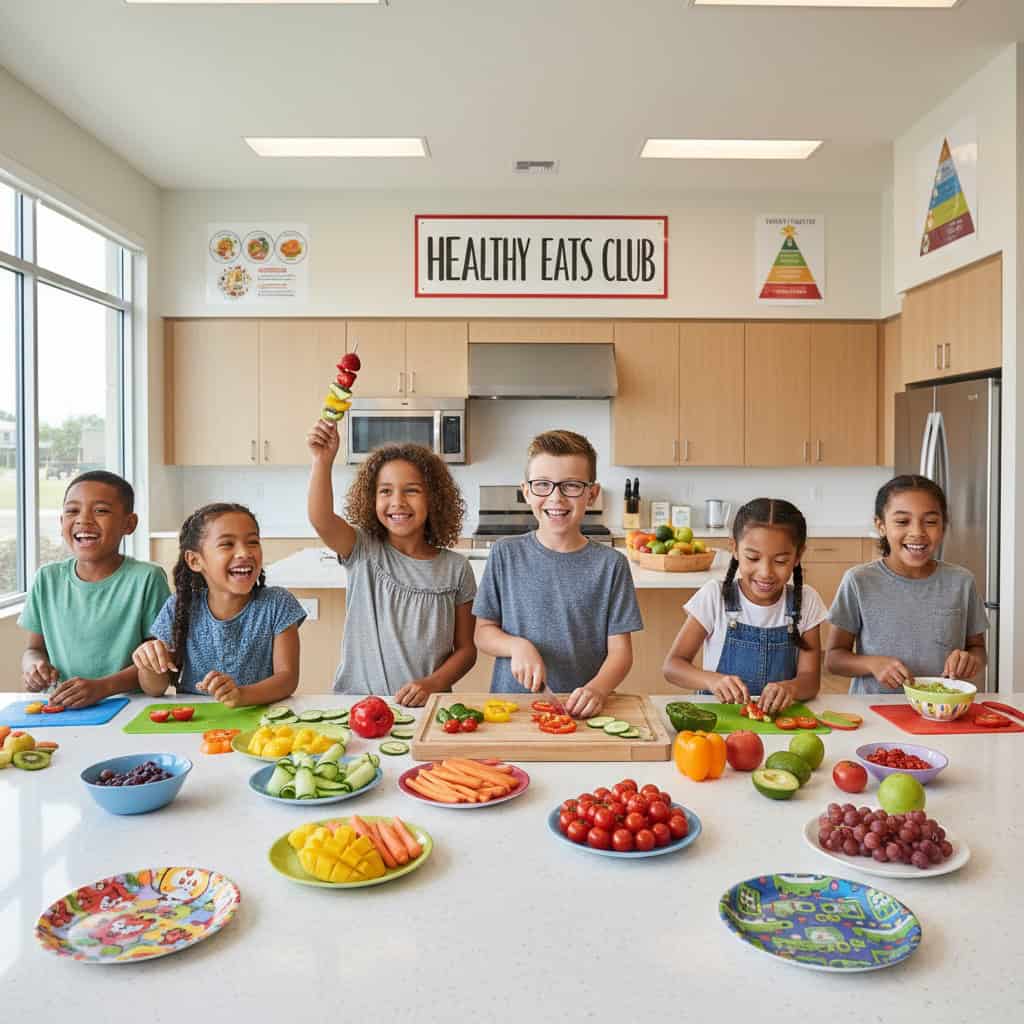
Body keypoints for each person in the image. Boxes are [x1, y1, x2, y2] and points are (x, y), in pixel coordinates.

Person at [473, 429, 642, 718]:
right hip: (512, 709)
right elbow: (483, 633)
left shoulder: (611, 565)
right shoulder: (505, 553)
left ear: (592, 494)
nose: (556, 497)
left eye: (571, 486)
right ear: (526, 492)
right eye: (542, 485)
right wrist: (516, 645)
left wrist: (598, 689)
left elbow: (620, 653)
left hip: (584, 710)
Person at [306, 422, 476, 706]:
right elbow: (321, 518)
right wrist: (322, 461)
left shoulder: (456, 568)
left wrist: (433, 684)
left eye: (411, 490)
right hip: (359, 703)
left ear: (434, 499)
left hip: (426, 706)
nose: (397, 502)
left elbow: (466, 650)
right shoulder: (362, 549)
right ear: (372, 499)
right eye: (385, 491)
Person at [19, 470, 170, 709]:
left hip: (129, 706)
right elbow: (34, 649)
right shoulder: (46, 579)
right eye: (72, 511)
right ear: (61, 523)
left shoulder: (146, 579)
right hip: (62, 708)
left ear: (129, 524)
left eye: (100, 511)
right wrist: (33, 667)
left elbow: (161, 661)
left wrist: (103, 687)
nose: (83, 520)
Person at [825, 475, 988, 694]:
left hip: (941, 709)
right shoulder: (858, 581)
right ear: (881, 525)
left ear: (943, 526)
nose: (917, 532)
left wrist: (970, 660)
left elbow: (978, 649)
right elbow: (834, 658)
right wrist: (872, 664)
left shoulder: (962, 582)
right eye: (902, 522)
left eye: (930, 522)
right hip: (876, 709)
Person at [663, 497, 825, 715]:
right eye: (753, 558)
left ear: (798, 556)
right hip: (718, 717)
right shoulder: (715, 596)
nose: (765, 572)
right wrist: (712, 680)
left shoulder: (807, 600)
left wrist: (791, 688)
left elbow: (811, 681)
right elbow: (673, 666)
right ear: (735, 549)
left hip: (780, 719)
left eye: (780, 561)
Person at [133, 503, 305, 706]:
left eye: (252, 542)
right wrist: (148, 664)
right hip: (195, 719)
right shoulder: (180, 605)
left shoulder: (278, 603)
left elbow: (287, 679)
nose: (244, 553)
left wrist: (241, 695)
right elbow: (154, 689)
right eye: (227, 544)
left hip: (260, 719)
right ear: (195, 561)